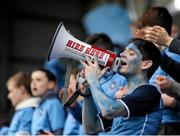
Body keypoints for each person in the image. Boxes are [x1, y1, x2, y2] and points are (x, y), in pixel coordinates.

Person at [81, 38, 162, 135]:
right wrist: (87, 90)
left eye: (131, 53)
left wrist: (93, 80)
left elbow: (109, 111)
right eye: (124, 51)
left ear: (145, 64)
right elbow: (91, 128)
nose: (121, 54)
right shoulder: (125, 99)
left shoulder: (150, 92)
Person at [62, 33, 127, 135]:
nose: (91, 57)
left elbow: (112, 114)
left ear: (109, 53)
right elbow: (88, 122)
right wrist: (74, 105)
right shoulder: (86, 79)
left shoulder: (121, 80)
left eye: (95, 53)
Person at [137, 6, 180, 134]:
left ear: (158, 33)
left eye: (148, 35)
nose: (145, 40)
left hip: (168, 124)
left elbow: (171, 100)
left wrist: (138, 98)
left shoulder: (173, 55)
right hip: (151, 124)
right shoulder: (156, 58)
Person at [31, 68, 65, 135]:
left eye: (38, 80)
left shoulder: (54, 103)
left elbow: (58, 132)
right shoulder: (38, 105)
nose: (33, 83)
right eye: (32, 80)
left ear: (51, 84)